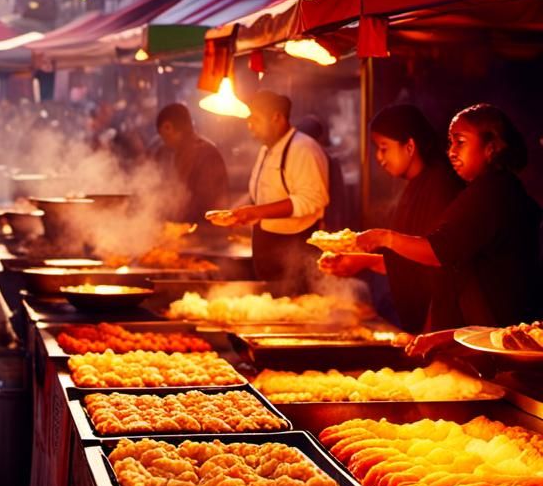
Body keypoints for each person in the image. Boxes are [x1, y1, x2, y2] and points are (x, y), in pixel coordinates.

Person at [355, 103, 541, 328]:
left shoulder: (492, 192)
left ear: (490, 147)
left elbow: (438, 252)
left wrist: (385, 238)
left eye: (460, 142)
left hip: (498, 330)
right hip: (485, 330)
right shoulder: (491, 188)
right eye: (450, 142)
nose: (451, 151)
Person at [318, 105, 463, 332]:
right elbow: (411, 262)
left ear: (410, 146)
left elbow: (439, 263)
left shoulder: (440, 186)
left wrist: (429, 332)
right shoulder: (416, 185)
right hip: (415, 323)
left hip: (437, 328)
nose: (379, 158)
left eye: (384, 148)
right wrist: (361, 262)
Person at [209, 90, 329, 295]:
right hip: (267, 247)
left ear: (277, 118)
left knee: (295, 312)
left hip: (294, 250)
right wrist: (237, 214)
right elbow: (260, 194)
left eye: (255, 119)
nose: (250, 126)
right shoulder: (267, 149)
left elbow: (312, 199)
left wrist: (257, 212)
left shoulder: (303, 149)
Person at [155, 103, 228, 222]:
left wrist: (172, 216)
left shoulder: (206, 154)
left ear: (168, 127)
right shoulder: (179, 153)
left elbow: (206, 202)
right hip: (188, 229)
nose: (164, 142)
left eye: (163, 135)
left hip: (206, 232)